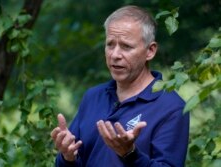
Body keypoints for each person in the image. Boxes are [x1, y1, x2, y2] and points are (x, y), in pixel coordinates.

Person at [51, 5, 189, 167]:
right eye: (110, 44)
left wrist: (130, 154)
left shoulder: (171, 106)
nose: (115, 55)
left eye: (126, 46)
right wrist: (67, 157)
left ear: (150, 51)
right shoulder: (93, 96)